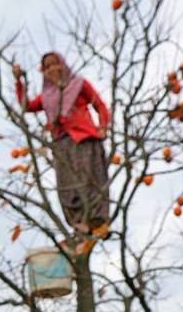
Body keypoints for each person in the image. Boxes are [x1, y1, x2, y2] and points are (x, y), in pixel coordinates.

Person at [13, 52, 112, 237]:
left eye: (54, 64)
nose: (51, 70)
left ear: (63, 65)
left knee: (90, 179)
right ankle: (80, 224)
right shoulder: (46, 96)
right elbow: (26, 106)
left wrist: (103, 127)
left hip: (83, 138)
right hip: (61, 142)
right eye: (46, 67)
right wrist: (19, 82)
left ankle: (98, 222)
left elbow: (100, 105)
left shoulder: (78, 84)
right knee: (66, 186)